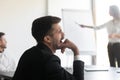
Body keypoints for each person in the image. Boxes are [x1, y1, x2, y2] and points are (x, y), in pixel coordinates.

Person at [12, 16, 84, 80]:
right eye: (59, 31)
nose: (63, 35)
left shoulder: (28, 53)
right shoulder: (49, 60)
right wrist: (75, 50)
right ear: (47, 39)